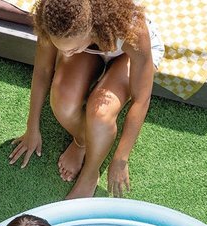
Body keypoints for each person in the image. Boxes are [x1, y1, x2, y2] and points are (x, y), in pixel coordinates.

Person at [9, 0, 164, 199]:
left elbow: (141, 98)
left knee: (100, 115)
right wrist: (31, 128)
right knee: (63, 103)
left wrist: (121, 158)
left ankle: (89, 175)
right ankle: (82, 141)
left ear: (91, 28)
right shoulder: (52, 21)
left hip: (126, 51)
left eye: (71, 49)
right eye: (61, 48)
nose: (65, 54)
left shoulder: (133, 29)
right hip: (89, 49)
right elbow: (43, 71)